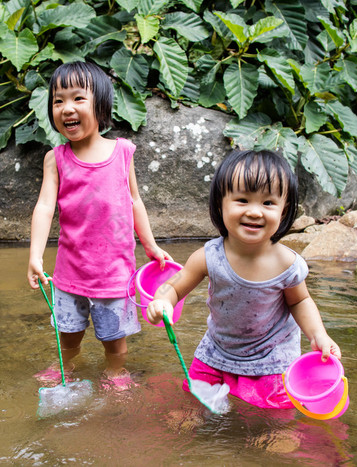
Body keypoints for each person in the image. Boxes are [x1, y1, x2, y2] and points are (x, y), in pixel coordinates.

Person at [146, 149, 342, 409]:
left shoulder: (287, 264)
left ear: (284, 211)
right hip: (217, 351)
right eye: (242, 200)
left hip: (271, 357)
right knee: (191, 407)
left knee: (274, 426)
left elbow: (300, 302)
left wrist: (318, 334)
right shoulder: (209, 257)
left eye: (268, 203)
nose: (254, 212)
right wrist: (163, 302)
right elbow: (175, 286)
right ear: (220, 204)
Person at [27, 61, 171, 390]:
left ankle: (115, 370)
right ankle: (68, 363)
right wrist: (35, 255)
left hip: (114, 269)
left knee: (115, 337)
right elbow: (45, 206)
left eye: (78, 98)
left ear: (101, 105)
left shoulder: (122, 152)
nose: (67, 109)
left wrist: (149, 243)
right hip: (70, 269)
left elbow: (134, 201)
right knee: (69, 330)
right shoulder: (57, 158)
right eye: (58, 100)